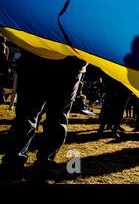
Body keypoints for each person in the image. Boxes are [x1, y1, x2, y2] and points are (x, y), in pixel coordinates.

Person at [0, 51, 87, 183]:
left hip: (62, 63)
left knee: (44, 117)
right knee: (32, 116)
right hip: (44, 59)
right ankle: (18, 164)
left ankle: (30, 164)